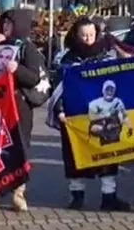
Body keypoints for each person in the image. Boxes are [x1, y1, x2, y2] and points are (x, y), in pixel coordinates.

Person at [0, 8, 47, 212]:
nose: (5, 27)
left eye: (9, 24)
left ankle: (18, 191)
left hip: (18, 106)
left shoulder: (28, 48)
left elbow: (34, 78)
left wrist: (17, 70)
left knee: (18, 147)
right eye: (3, 24)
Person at [54, 17, 129, 211]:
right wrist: (60, 110)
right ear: (76, 36)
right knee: (75, 155)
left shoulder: (106, 56)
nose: (88, 39)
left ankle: (109, 197)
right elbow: (58, 88)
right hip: (75, 114)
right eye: (84, 35)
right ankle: (77, 196)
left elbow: (120, 81)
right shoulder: (67, 59)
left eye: (91, 35)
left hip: (104, 114)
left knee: (107, 153)